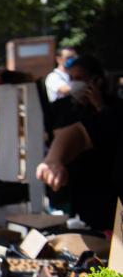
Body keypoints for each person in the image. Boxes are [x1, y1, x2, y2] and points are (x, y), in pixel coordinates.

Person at [37, 55, 122, 230]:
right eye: (72, 79)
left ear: (96, 80)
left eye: (80, 79)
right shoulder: (62, 107)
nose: (75, 83)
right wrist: (53, 161)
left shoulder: (113, 106)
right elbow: (77, 134)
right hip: (77, 185)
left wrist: (99, 106)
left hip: (106, 188)